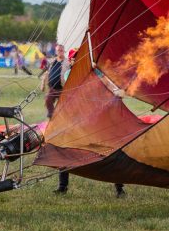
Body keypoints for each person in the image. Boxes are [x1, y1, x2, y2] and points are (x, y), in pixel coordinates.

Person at [52, 47, 127, 198]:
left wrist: (116, 90)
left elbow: (106, 82)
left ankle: (119, 188)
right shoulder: (69, 74)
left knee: (110, 149)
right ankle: (62, 187)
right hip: (77, 118)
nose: (78, 60)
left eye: (81, 57)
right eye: (75, 58)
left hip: (98, 116)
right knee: (65, 147)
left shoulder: (95, 71)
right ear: (72, 61)